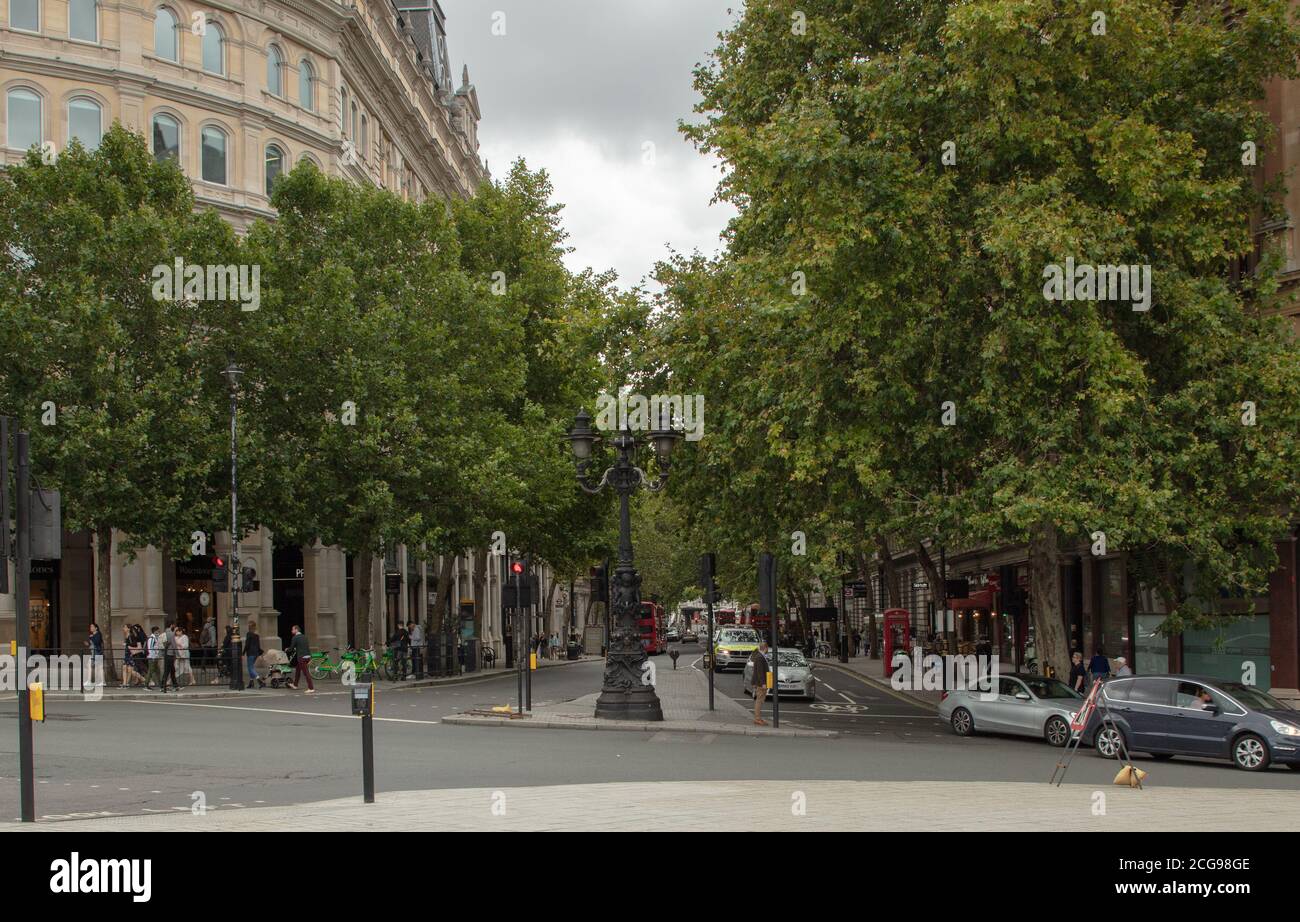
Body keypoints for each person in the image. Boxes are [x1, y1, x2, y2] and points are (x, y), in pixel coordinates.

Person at [287, 624, 315, 693]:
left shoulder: (295, 638)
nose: (291, 631)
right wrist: (310, 657)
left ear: (296, 630)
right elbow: (307, 647)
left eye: (292, 629)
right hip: (307, 656)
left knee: (306, 673)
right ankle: (295, 685)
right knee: (297, 670)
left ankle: (311, 688)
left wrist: (286, 650)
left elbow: (291, 649)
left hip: (301, 657)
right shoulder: (305, 637)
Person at [749, 640, 770, 726]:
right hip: (760, 683)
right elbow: (760, 672)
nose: (768, 649)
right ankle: (757, 719)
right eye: (767, 648)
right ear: (765, 648)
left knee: (760, 700)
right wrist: (763, 683)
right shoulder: (760, 657)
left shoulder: (760, 656)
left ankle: (758, 718)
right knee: (759, 700)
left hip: (759, 682)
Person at [160, 619, 180, 693]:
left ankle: (175, 685)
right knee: (168, 671)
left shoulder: (164, 633)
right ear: (171, 625)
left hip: (166, 654)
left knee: (172, 670)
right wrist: (177, 654)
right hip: (170, 654)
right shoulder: (171, 634)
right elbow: (174, 644)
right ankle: (163, 686)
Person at [244, 619, 263, 689]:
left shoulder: (248, 634)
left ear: (249, 627)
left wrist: (243, 653)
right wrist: (259, 655)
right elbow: (258, 646)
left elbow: (247, 645)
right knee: (251, 667)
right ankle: (251, 682)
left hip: (250, 653)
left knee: (250, 668)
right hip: (255, 654)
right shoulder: (257, 636)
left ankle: (259, 681)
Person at [85, 622, 104, 690]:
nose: (91, 628)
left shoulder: (98, 634)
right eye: (90, 627)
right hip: (93, 653)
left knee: (98, 667)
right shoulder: (92, 635)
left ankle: (99, 681)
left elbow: (97, 642)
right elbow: (92, 644)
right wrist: (88, 644)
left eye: (92, 627)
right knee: (90, 666)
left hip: (97, 652)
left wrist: (91, 638)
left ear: (96, 628)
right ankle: (90, 681)